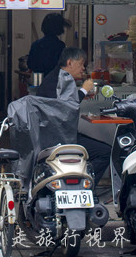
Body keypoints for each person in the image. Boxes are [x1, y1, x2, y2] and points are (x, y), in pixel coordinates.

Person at [36, 46, 111, 185]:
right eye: (81, 64)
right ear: (69, 63)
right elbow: (64, 109)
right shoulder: (60, 79)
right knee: (105, 152)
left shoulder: (57, 77)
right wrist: (84, 90)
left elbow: (63, 103)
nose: (83, 68)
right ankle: (83, 185)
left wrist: (82, 95)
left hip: (56, 135)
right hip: (59, 138)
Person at [27, 12, 70, 78]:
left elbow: (30, 64)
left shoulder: (36, 44)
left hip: (38, 80)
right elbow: (63, 66)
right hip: (54, 80)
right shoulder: (60, 46)